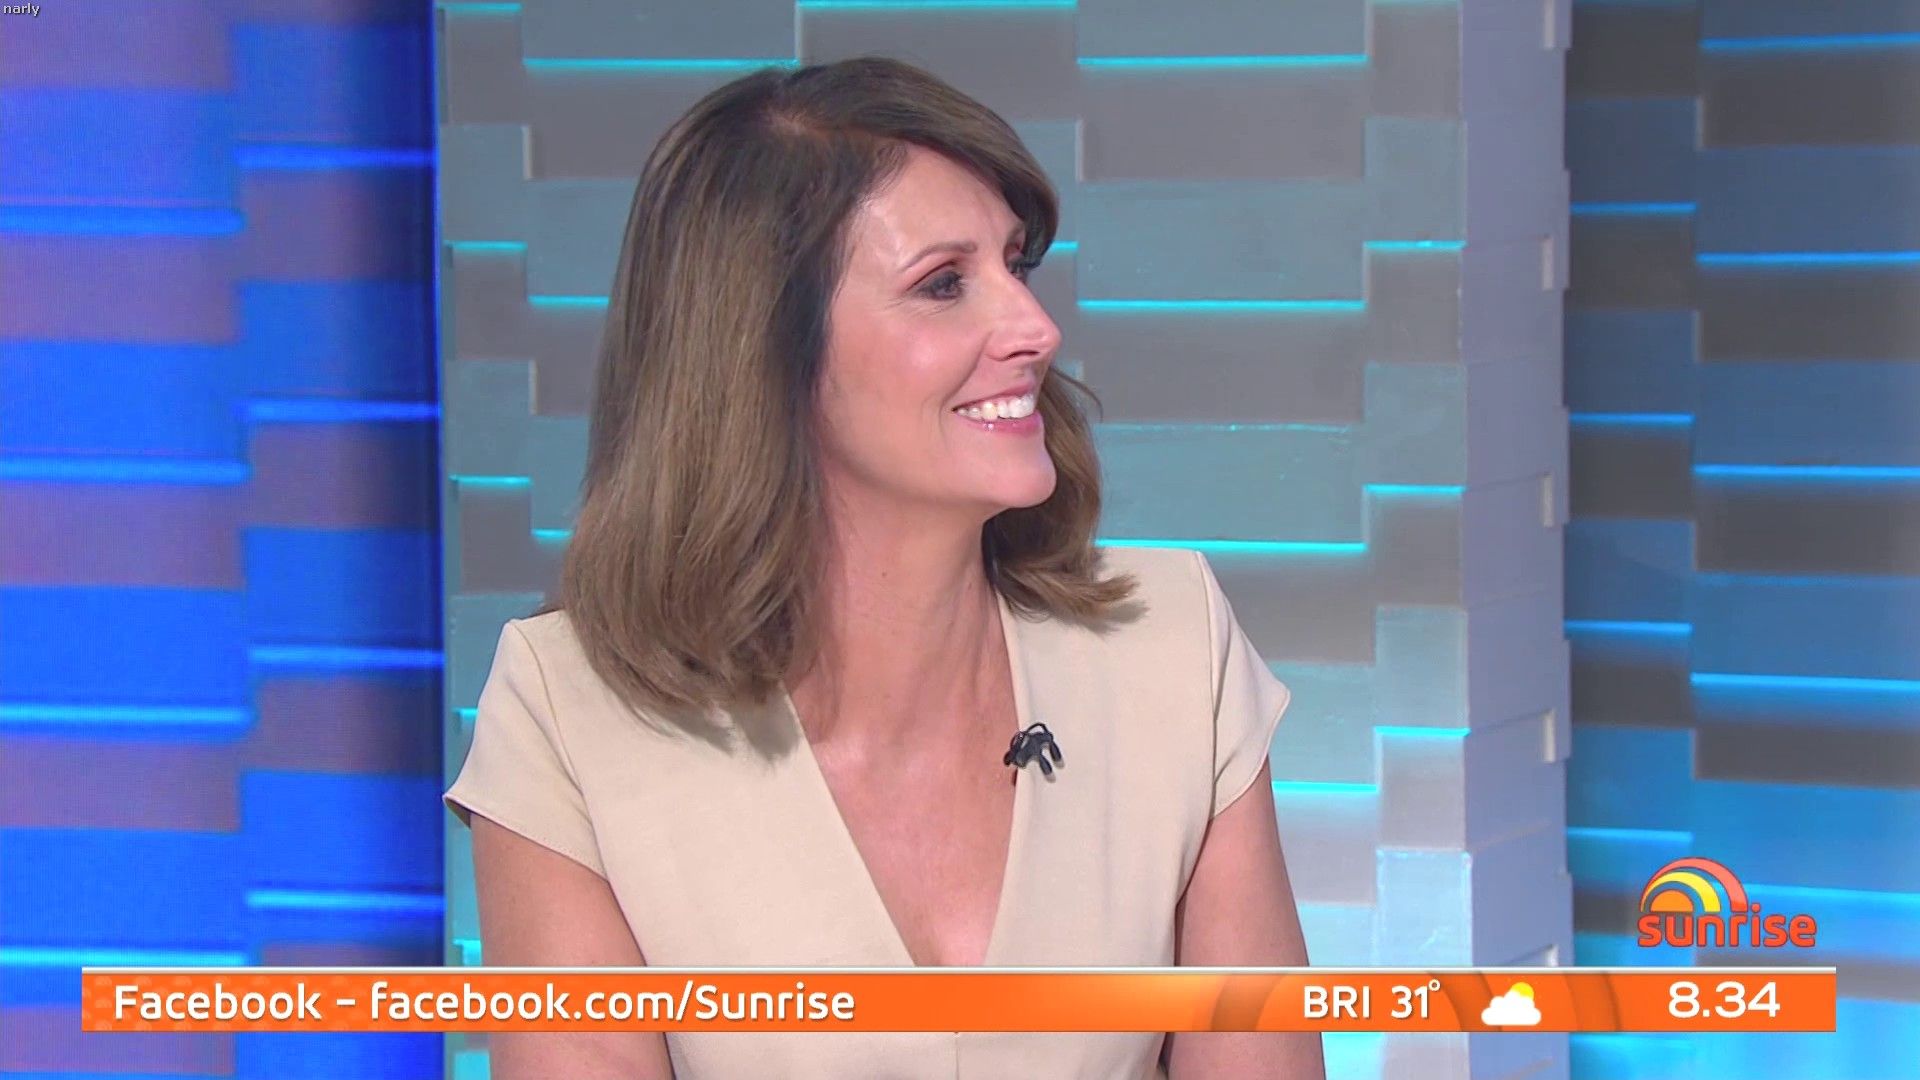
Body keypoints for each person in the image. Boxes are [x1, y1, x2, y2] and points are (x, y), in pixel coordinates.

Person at [443, 55, 1322, 1080]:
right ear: (763, 351)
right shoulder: (568, 711)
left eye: (1016, 266)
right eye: (943, 284)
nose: (1036, 330)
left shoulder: (1173, 645)